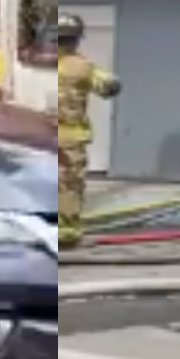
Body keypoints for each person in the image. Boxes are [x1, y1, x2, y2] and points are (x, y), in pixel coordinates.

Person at [51, 13, 121, 251]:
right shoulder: (81, 67)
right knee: (69, 184)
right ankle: (66, 234)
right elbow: (110, 86)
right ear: (76, 39)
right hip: (70, 140)